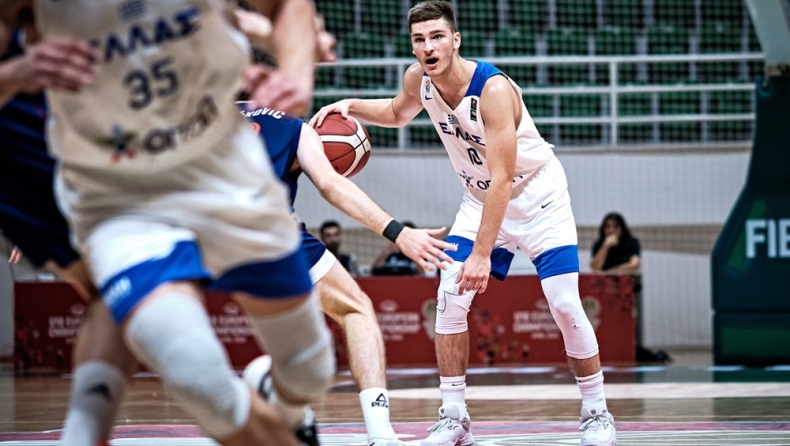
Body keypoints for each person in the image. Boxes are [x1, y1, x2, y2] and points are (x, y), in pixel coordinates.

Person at [0, 1, 335, 445]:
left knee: (311, 371)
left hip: (222, 170)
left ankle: (284, 401)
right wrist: (16, 73)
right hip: (117, 190)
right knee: (194, 371)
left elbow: (288, 8)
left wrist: (294, 75)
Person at [309, 2, 617, 445]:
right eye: (419, 39)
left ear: (455, 40)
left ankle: (596, 413)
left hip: (537, 197)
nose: (428, 46)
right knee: (449, 296)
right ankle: (454, 419)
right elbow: (397, 112)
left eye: (437, 36)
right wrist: (349, 106)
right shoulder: (418, 79)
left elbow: (503, 178)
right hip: (480, 198)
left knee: (565, 304)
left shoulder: (492, 90)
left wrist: (480, 254)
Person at [240, 103, 454, 446]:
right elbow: (330, 184)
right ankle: (380, 434)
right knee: (355, 309)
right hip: (263, 229)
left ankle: (279, 400)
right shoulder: (296, 127)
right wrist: (399, 232)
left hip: (190, 226)